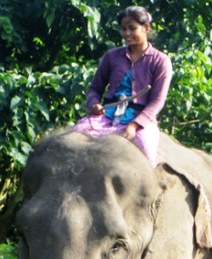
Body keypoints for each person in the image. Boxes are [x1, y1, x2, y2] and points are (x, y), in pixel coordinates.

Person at [72, 6, 172, 166]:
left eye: (132, 28)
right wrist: (94, 104)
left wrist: (133, 126)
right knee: (77, 134)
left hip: (140, 120)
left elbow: (158, 101)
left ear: (146, 28)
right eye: (124, 29)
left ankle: (149, 188)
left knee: (145, 149)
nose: (126, 34)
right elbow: (94, 88)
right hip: (108, 116)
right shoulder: (111, 56)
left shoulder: (160, 61)